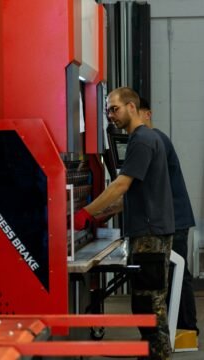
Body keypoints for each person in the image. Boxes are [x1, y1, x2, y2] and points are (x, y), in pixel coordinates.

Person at [74, 87, 175, 360]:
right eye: (107, 110)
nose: (110, 115)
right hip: (152, 231)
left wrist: (85, 212)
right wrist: (102, 214)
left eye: (114, 109)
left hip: (149, 235)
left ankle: (158, 356)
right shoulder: (147, 139)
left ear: (132, 107)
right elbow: (134, 194)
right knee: (148, 304)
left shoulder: (141, 140)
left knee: (148, 305)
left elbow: (121, 185)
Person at [139, 97, 199, 335]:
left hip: (175, 219)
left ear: (147, 114)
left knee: (179, 275)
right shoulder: (155, 140)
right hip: (173, 217)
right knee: (178, 275)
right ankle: (183, 328)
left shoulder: (156, 141)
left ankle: (187, 329)